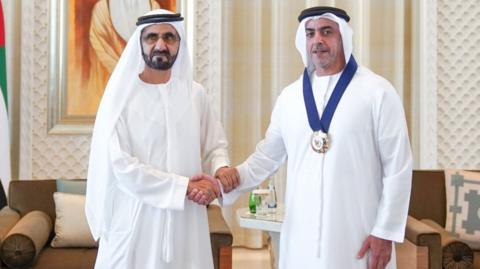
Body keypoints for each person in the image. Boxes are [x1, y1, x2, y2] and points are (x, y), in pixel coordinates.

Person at [216, 6, 412, 269]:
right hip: (300, 239)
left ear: (343, 37)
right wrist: (231, 179)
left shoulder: (378, 92)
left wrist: (385, 231)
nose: (317, 40)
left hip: (358, 234)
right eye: (310, 34)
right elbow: (266, 157)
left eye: (326, 32)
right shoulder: (290, 97)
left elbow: (398, 166)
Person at [85, 9, 231, 269]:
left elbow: (215, 146)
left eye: (169, 37)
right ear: (139, 44)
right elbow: (122, 166)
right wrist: (185, 187)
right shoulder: (120, 99)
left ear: (179, 43)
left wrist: (220, 172)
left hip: (187, 220)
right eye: (151, 37)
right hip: (135, 219)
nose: (160, 44)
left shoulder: (195, 94)